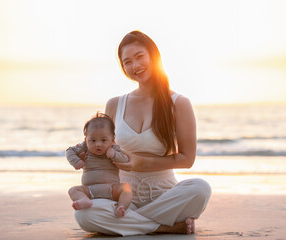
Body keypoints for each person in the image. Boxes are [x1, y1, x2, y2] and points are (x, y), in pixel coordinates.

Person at [73, 30, 211, 236]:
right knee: (83, 215)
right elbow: (103, 146)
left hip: (165, 196)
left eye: (140, 57)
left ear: (153, 56)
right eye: (127, 62)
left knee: (201, 189)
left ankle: (131, 224)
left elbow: (187, 159)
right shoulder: (114, 104)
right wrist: (87, 154)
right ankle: (164, 227)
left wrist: (140, 163)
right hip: (122, 197)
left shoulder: (179, 103)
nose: (135, 66)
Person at [66, 113, 132, 218]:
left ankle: (121, 207)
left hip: (112, 189)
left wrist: (114, 155)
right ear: (85, 140)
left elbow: (126, 160)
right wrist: (76, 161)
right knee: (73, 190)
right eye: (92, 140)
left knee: (127, 188)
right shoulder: (84, 147)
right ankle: (84, 200)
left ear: (112, 140)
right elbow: (69, 151)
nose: (98, 144)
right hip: (89, 190)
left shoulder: (114, 148)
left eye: (104, 140)